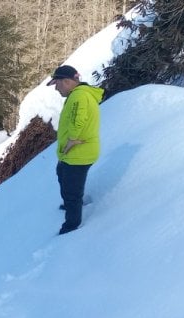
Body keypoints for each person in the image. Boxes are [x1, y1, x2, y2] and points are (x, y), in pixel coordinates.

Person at [47, 64, 105, 235]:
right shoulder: (78, 94)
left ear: (66, 81)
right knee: (62, 175)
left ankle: (72, 225)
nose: (56, 89)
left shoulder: (79, 97)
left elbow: (77, 120)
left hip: (79, 152)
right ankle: (69, 203)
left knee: (72, 190)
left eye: (56, 84)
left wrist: (72, 140)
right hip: (72, 153)